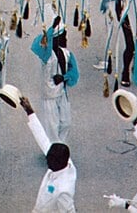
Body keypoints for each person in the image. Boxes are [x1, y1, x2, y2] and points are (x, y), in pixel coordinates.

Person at [19, 96, 77, 212]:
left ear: (58, 162)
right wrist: (29, 111)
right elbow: (42, 138)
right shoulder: (61, 160)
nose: (46, 162)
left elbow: (68, 210)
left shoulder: (64, 190)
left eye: (49, 160)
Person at [31, 16, 79, 144]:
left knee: (66, 123)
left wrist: (64, 77)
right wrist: (51, 28)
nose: (66, 39)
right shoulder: (46, 54)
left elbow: (74, 74)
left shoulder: (67, 53)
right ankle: (54, 150)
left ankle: (60, 146)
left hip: (62, 93)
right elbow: (35, 46)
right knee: (52, 127)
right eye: (63, 36)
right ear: (55, 38)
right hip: (49, 96)